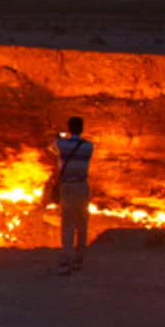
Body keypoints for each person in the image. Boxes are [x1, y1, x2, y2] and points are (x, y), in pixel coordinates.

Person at [55, 116, 94, 274]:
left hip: (68, 187)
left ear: (69, 128)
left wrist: (60, 135)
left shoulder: (61, 144)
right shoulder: (89, 146)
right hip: (83, 186)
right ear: (82, 128)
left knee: (68, 224)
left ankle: (66, 260)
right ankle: (80, 259)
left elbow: (52, 147)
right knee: (82, 223)